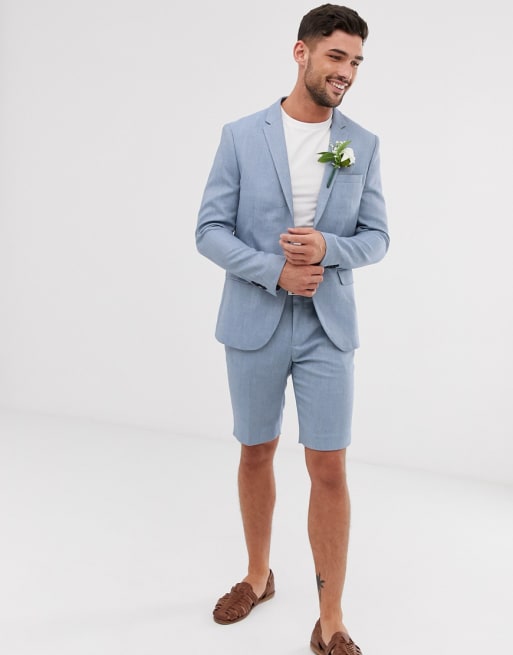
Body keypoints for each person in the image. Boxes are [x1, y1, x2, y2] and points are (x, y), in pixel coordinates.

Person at [195, 4, 389, 654]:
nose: (346, 72)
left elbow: (377, 237)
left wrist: (328, 250)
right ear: (301, 52)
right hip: (253, 320)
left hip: (327, 329)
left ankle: (330, 617)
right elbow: (209, 231)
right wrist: (275, 271)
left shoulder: (362, 144)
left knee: (328, 466)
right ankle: (258, 576)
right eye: (336, 56)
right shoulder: (240, 136)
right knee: (255, 450)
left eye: (355, 61)